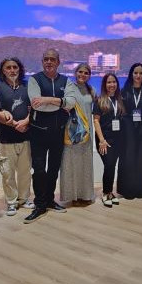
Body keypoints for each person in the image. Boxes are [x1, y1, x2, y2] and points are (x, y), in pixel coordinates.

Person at [24, 49, 76, 222]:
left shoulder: (66, 81)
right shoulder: (34, 79)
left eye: (52, 59)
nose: (49, 62)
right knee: (39, 170)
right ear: (42, 61)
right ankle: (39, 204)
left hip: (58, 133)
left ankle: (49, 200)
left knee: (53, 169)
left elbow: (71, 103)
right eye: (46, 59)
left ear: (58, 62)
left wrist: (49, 100)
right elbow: (36, 105)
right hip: (38, 132)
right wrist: (59, 102)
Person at [0, 57, 32, 216]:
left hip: (26, 137)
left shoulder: (27, 86)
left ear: (20, 69)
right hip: (6, 138)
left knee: (25, 171)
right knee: (8, 173)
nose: (12, 70)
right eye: (8, 67)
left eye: (15, 67)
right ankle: (11, 201)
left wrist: (26, 122)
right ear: (3, 70)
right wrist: (15, 124)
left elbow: (34, 108)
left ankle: (24, 198)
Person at [59, 63, 95, 204]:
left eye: (86, 73)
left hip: (87, 132)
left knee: (85, 165)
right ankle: (71, 196)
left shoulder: (91, 90)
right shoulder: (69, 88)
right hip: (72, 131)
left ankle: (85, 195)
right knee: (70, 163)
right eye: (80, 72)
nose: (82, 75)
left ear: (89, 75)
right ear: (75, 73)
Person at [118, 63, 142, 199]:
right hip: (127, 128)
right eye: (135, 73)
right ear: (131, 74)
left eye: (141, 73)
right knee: (128, 157)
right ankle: (127, 189)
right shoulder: (125, 90)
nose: (138, 76)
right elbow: (121, 110)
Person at [93, 73, 125, 207]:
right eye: (109, 82)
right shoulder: (100, 100)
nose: (111, 85)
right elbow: (96, 121)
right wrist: (101, 140)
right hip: (104, 139)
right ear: (104, 85)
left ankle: (110, 192)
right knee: (109, 165)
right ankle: (106, 193)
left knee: (112, 166)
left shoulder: (120, 100)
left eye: (114, 82)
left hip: (118, 139)